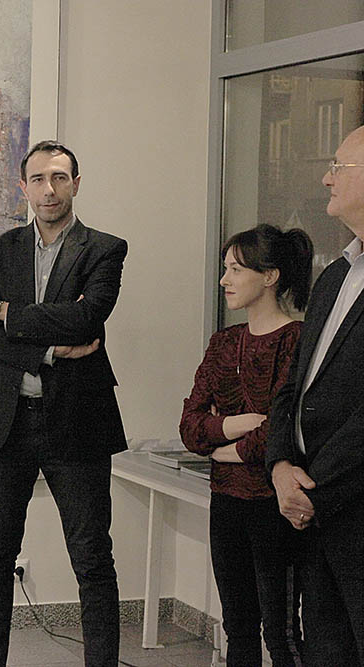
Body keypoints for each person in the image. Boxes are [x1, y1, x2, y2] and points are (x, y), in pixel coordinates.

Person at [0, 140, 128, 666]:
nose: (48, 189)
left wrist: (5, 312)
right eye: (38, 179)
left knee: (92, 559)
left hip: (78, 422)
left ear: (76, 183)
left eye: (59, 177)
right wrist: (52, 350)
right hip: (5, 422)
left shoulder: (105, 249)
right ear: (24, 187)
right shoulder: (0, 249)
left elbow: (87, 318)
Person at [180, 224, 312, 666]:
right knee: (237, 627)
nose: (225, 280)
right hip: (226, 500)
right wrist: (234, 425)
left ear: (269, 276)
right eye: (225, 269)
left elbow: (279, 428)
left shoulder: (296, 339)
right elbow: (190, 427)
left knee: (281, 632)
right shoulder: (224, 341)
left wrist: (223, 445)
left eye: (236, 269)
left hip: (274, 504)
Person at [266, 125, 364, 665]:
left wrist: (315, 489)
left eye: (337, 167)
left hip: (347, 504)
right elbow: (294, 385)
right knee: (324, 649)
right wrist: (281, 464)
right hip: (314, 512)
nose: (326, 179)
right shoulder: (335, 277)